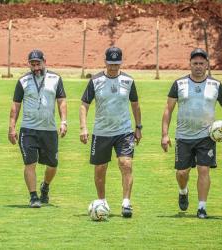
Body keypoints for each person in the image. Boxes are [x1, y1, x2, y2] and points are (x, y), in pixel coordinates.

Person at [161, 48, 222, 219]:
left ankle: (202, 207)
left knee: (204, 170)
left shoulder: (215, 85)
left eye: (201, 63)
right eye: (195, 63)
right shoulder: (179, 84)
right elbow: (168, 110)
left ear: (207, 65)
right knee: (182, 173)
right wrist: (165, 135)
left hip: (206, 136)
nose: (198, 66)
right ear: (190, 64)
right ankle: (183, 191)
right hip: (183, 136)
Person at [79, 46, 142, 218]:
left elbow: (135, 104)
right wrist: (83, 127)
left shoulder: (128, 81)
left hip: (124, 131)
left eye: (116, 64)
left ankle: (126, 203)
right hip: (101, 132)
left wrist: (138, 127)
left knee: (126, 164)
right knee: (100, 168)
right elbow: (84, 104)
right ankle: (102, 202)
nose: (113, 67)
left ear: (121, 63)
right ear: (105, 62)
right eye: (110, 64)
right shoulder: (95, 81)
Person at [8, 49, 67, 208]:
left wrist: (63, 122)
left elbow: (61, 101)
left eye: (38, 64)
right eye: (32, 65)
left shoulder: (55, 79)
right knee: (30, 163)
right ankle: (33, 196)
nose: (35, 68)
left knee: (53, 165)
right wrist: (12, 127)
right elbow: (16, 105)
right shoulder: (23, 81)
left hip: (49, 129)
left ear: (44, 61)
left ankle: (45, 186)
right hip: (29, 129)